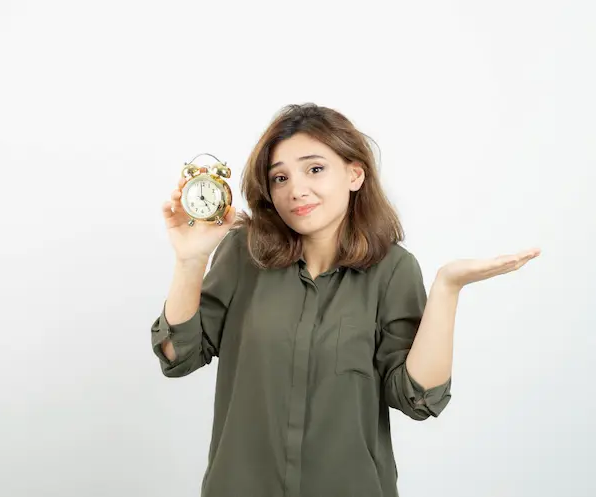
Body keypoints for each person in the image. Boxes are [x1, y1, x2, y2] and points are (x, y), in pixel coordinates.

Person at [149, 103, 540, 497]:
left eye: (314, 169)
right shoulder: (243, 254)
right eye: (279, 177)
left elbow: (418, 398)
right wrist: (190, 260)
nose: (296, 189)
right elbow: (176, 356)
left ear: (355, 174)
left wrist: (447, 288)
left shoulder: (393, 270)